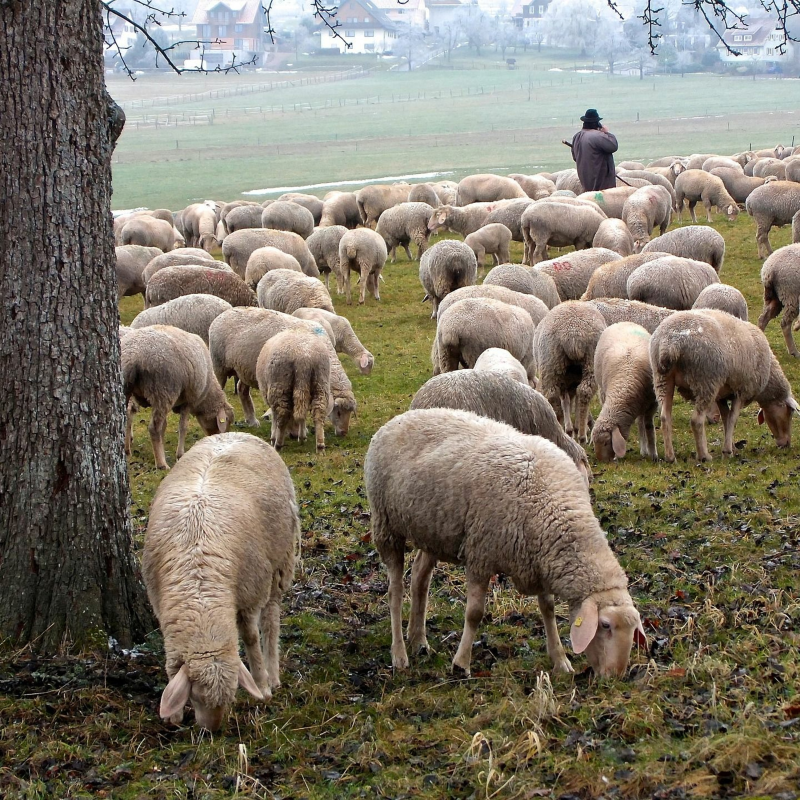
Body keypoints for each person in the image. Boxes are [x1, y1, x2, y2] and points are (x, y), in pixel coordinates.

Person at [568, 109, 618, 191]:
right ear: (597, 123)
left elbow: (575, 157)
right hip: (601, 181)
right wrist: (607, 133)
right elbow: (613, 146)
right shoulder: (598, 136)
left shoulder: (576, 137)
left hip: (585, 179)